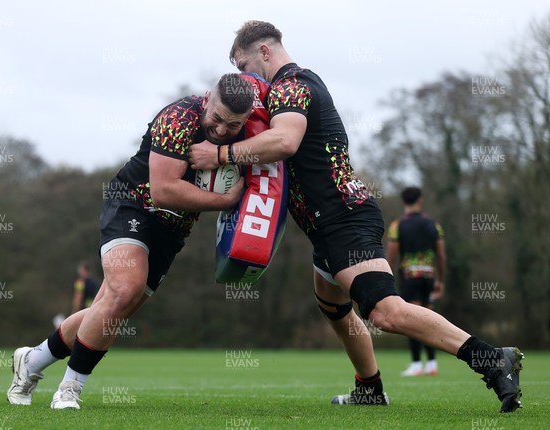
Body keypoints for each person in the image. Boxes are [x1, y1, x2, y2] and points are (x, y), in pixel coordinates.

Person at [188, 21, 523, 412]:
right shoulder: (297, 85)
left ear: (264, 52)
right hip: (328, 222)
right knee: (332, 304)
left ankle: (490, 359)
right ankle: (370, 387)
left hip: (342, 217)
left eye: (245, 66)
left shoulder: (290, 86)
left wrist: (219, 156)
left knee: (384, 310)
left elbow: (284, 141)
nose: (246, 78)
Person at [7, 73, 254, 409]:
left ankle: (32, 362)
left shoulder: (245, 135)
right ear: (207, 98)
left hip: (173, 230)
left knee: (112, 308)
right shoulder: (179, 117)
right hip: (132, 204)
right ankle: (69, 389)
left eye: (234, 126)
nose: (223, 131)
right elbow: (163, 191)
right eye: (217, 119)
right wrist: (226, 201)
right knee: (125, 289)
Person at [387, 187, 446, 376]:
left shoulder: (397, 226)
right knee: (429, 318)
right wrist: (441, 280)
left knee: (412, 319)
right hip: (428, 276)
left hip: (409, 277)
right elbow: (441, 256)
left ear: (404, 202)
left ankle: (415, 364)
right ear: (420, 200)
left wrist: (387, 280)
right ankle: (432, 363)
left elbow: (391, 256)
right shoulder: (434, 225)